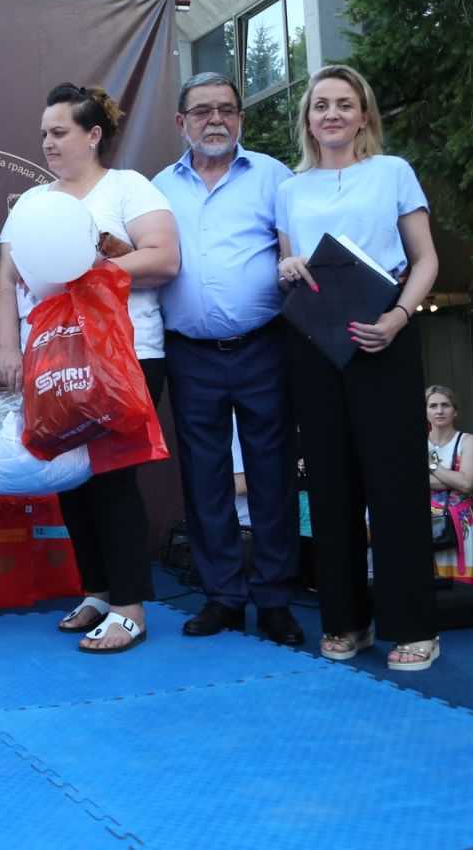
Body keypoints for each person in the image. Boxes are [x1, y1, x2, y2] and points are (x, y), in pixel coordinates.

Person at [0, 83, 178, 654]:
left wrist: (94, 265)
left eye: (60, 132)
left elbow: (164, 257)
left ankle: (130, 607)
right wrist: (9, 349)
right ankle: (97, 591)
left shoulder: (127, 187)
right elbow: (6, 280)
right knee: (71, 481)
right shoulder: (32, 202)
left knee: (113, 477)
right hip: (53, 358)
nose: (48, 143)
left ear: (93, 134)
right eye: (44, 134)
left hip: (124, 355)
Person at [276, 64, 441, 671]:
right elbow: (287, 263)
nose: (333, 114)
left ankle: (414, 627)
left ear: (364, 114)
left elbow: (425, 259)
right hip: (315, 344)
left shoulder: (392, 171)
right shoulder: (290, 189)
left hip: (383, 338)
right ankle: (346, 620)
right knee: (328, 483)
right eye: (321, 105)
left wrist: (398, 316)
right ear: (308, 119)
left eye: (344, 104)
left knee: (394, 483)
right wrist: (285, 268)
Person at [152, 71, 302, 646]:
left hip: (266, 346)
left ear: (240, 117)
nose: (215, 120)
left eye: (226, 109)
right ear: (181, 122)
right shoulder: (158, 189)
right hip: (189, 353)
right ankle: (223, 597)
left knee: (272, 474)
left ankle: (275, 600)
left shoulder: (274, 176)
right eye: (202, 110)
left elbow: (296, 253)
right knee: (205, 477)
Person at [425, 385, 473, 587]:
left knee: (467, 592)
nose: (439, 411)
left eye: (446, 405)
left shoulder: (468, 441)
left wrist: (431, 465)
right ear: (425, 411)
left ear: (455, 411)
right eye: (433, 406)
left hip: (461, 525)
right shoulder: (416, 442)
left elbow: (466, 484)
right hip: (425, 525)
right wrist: (457, 478)